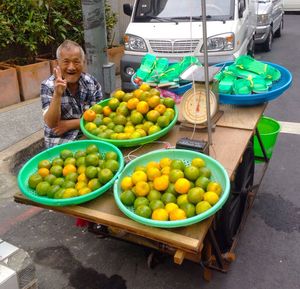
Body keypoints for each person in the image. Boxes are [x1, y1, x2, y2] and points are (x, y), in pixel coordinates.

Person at [41, 39, 103, 148]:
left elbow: (99, 117)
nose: (71, 67)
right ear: (57, 63)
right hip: (60, 143)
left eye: (76, 61)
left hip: (88, 136)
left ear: (83, 63)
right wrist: (57, 94)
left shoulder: (91, 82)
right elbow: (51, 123)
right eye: (66, 62)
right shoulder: (48, 85)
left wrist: (68, 124)